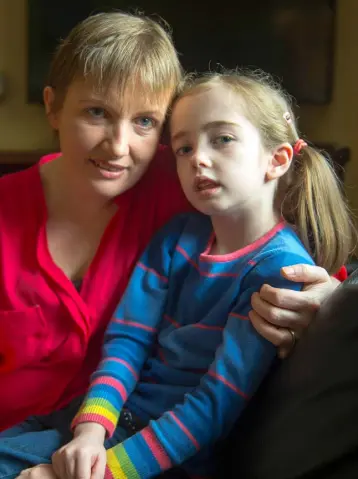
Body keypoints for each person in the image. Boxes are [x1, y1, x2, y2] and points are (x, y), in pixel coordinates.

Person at [0, 10, 347, 479]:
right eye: (96, 112)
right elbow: (129, 339)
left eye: (145, 122)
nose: (119, 146)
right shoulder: (181, 225)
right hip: (69, 429)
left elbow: (298, 237)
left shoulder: (181, 184)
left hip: (139, 449)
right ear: (53, 107)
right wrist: (86, 434)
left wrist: (333, 302)